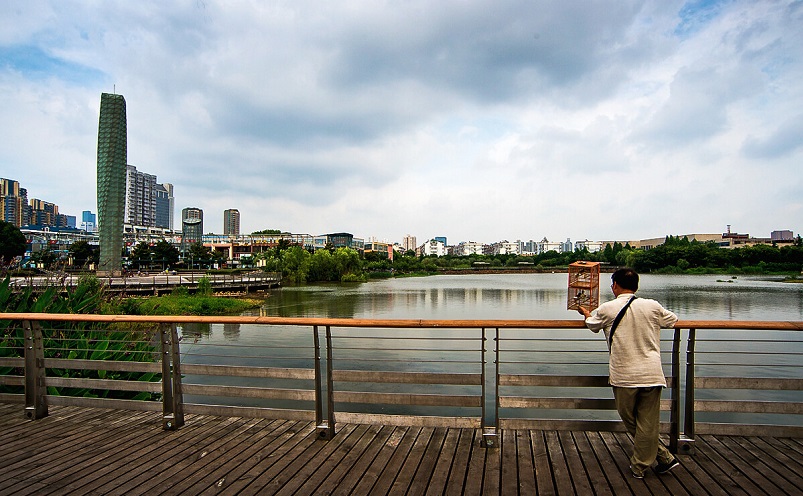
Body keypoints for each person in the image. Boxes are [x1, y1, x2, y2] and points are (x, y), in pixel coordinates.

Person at [576, 267, 681, 479]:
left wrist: (587, 313)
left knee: (629, 418)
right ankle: (664, 457)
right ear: (636, 286)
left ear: (615, 285)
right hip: (651, 373)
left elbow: (592, 325)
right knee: (647, 422)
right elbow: (672, 319)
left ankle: (640, 466)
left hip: (624, 374)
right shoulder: (652, 306)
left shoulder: (608, 308)